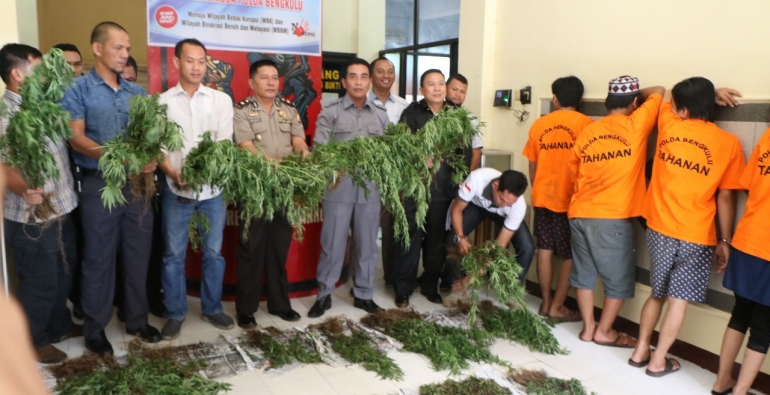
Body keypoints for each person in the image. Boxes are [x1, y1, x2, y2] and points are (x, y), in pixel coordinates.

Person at [628, 79, 745, 376]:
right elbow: (726, 197)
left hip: (658, 228)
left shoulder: (669, 123)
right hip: (697, 234)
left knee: (657, 293)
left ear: (682, 110)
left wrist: (709, 93)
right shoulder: (729, 144)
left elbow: (662, 91)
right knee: (678, 301)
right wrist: (725, 240)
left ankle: (641, 350)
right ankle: (659, 360)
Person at [62, 21, 161, 356]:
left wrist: (150, 158)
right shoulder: (79, 89)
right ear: (98, 48)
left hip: (137, 187)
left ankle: (136, 319)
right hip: (100, 184)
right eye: (118, 47)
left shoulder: (137, 93)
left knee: (138, 255)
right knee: (98, 258)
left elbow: (149, 138)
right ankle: (94, 329)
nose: (124, 54)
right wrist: (118, 158)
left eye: (128, 49)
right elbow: (76, 138)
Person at [566, 76, 664, 348]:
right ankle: (604, 331)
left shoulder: (589, 131)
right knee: (618, 279)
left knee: (584, 275)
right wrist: (636, 95)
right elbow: (659, 90)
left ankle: (588, 328)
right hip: (611, 217)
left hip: (579, 212)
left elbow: (574, 171)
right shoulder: (635, 123)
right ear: (634, 103)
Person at [0, 43, 81, 364]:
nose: (45, 75)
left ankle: (59, 325)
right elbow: (5, 169)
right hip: (31, 216)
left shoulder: (43, 105)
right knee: (40, 282)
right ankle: (33, 340)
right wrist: (24, 190)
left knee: (63, 273)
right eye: (38, 69)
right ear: (18, 74)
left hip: (61, 207)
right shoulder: (6, 116)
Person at [156, 39, 234, 339]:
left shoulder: (220, 100)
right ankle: (175, 312)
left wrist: (201, 173)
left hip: (213, 192)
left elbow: (223, 144)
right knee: (173, 255)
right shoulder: (162, 103)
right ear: (177, 62)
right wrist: (172, 172)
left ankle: (212, 307)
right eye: (190, 60)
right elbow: (158, 148)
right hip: (176, 190)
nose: (197, 67)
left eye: (202, 61)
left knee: (213, 253)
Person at [307, 58, 389, 318]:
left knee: (367, 244)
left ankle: (364, 294)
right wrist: (334, 167)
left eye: (364, 77)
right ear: (344, 82)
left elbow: (388, 151)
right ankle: (324, 294)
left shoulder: (380, 114)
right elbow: (319, 149)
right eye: (353, 77)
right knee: (333, 243)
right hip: (338, 188)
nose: (359, 82)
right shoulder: (330, 112)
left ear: (370, 81)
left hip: (370, 188)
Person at [233, 59, 310, 328]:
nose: (270, 82)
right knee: (251, 248)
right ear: (251, 82)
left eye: (275, 78)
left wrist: (304, 153)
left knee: (279, 247)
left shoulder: (289, 109)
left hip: (283, 188)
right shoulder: (241, 110)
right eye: (264, 77)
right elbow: (245, 146)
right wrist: (274, 164)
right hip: (255, 187)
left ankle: (280, 304)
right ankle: (246, 309)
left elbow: (298, 139)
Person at [522, 76, 593, 321]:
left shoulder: (539, 124)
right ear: (580, 100)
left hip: (542, 196)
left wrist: (538, 190)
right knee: (571, 255)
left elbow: (532, 165)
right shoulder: (586, 125)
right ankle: (558, 306)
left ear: (555, 98)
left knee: (545, 248)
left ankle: (545, 302)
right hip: (570, 200)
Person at [712, 127, 770, 395]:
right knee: (764, 326)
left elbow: (748, 185)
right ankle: (740, 391)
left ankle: (722, 381)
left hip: (748, 238)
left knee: (740, 312)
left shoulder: (768, 136)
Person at [392, 69, 451, 307]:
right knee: (410, 239)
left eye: (441, 83)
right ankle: (403, 289)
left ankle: (430, 286)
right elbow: (402, 145)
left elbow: (463, 150)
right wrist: (419, 157)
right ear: (421, 89)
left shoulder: (455, 114)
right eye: (431, 84)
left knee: (436, 241)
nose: (437, 88)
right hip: (415, 189)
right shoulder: (412, 113)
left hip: (443, 189)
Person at [443, 168, 535, 307]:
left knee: (527, 247)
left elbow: (498, 247)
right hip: (476, 205)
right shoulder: (477, 178)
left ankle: (513, 291)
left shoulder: (518, 206)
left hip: (503, 215)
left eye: (509, 203)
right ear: (495, 185)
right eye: (502, 199)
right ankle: (458, 291)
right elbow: (456, 210)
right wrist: (461, 238)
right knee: (452, 240)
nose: (503, 205)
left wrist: (472, 278)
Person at [367, 56, 408, 286]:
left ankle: (391, 277)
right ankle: (361, 279)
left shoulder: (403, 107)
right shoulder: (362, 102)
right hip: (366, 176)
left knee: (391, 228)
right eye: (381, 71)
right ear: (372, 75)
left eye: (390, 72)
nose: (386, 76)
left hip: (394, 178)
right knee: (364, 229)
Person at [445, 73, 483, 171]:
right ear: (445, 89)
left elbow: (476, 153)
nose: (458, 94)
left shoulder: (470, 120)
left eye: (462, 91)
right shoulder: (434, 116)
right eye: (455, 89)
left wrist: (468, 178)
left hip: (460, 175)